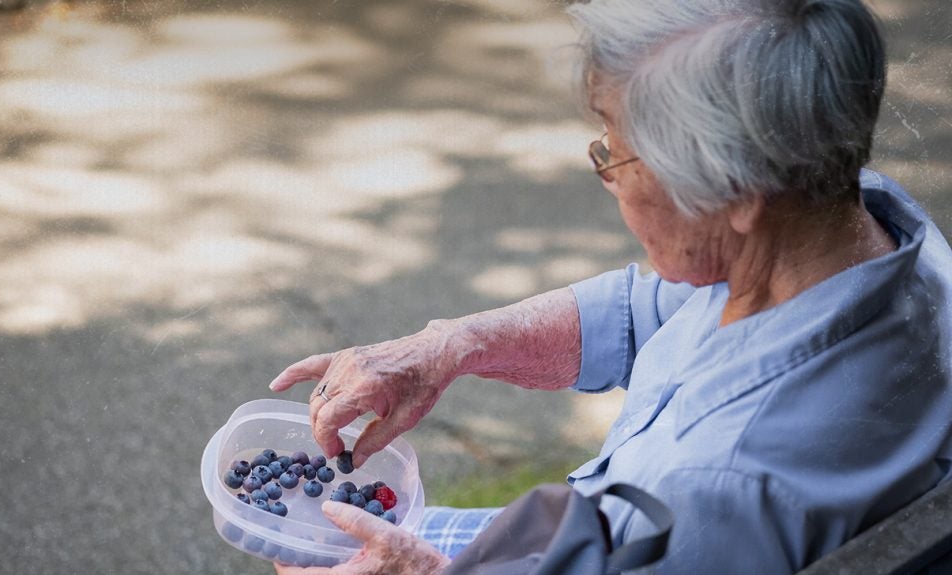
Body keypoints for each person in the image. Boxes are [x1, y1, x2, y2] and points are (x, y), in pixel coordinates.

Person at [269, 0, 952, 572]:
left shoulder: (721, 490)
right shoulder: (846, 225)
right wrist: (452, 344)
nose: (610, 179)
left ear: (740, 188)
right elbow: (637, 311)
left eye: (616, 152)